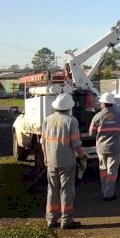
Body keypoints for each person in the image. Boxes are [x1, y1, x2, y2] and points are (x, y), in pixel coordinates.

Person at [41, 93, 86, 229]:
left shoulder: (47, 120)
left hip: (51, 161)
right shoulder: (71, 121)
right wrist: (82, 156)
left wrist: (45, 156)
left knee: (52, 189)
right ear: (69, 107)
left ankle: (51, 219)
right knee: (66, 190)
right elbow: (76, 143)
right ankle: (67, 220)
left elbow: (43, 141)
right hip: (67, 161)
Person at [88, 92, 120, 201]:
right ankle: (108, 194)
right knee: (112, 171)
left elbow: (91, 133)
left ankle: (105, 192)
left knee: (103, 170)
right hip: (115, 148)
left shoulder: (97, 116)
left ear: (103, 104)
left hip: (101, 148)